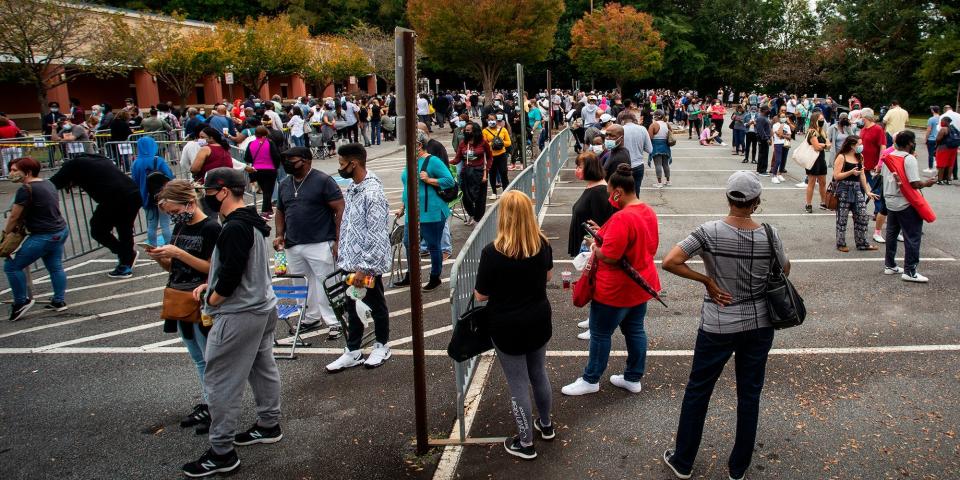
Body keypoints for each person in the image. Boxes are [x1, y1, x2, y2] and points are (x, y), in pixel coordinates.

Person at [661, 171, 789, 480]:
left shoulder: (708, 232)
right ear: (756, 202)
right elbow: (784, 269)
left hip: (718, 323)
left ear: (728, 198)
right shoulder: (769, 234)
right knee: (749, 393)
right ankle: (738, 467)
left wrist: (707, 279)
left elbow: (670, 261)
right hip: (759, 324)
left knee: (699, 390)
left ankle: (683, 460)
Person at [182, 168, 281, 478]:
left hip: (240, 314)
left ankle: (221, 452)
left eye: (208, 191)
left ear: (223, 191)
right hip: (262, 307)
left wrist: (212, 299)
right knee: (262, 367)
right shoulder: (253, 221)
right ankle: (269, 423)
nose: (205, 197)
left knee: (221, 381)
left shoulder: (235, 227)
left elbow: (231, 276)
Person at [561, 163, 660, 396]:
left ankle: (591, 378)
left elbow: (611, 256)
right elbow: (648, 246)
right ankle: (633, 377)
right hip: (640, 284)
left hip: (615, 289)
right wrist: (603, 232)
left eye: (609, 193)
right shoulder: (647, 211)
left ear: (618, 192)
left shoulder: (622, 218)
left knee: (600, 333)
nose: (608, 197)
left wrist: (595, 247)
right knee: (635, 331)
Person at [475, 190, 555, 460]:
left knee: (518, 383)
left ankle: (525, 442)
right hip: (538, 319)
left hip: (507, 325)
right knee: (538, 373)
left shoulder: (492, 253)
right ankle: (546, 425)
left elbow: (481, 295)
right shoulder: (542, 244)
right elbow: (548, 274)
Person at [149, 180, 222, 436]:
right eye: (170, 214)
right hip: (178, 296)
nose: (174, 217)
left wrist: (179, 254)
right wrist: (164, 259)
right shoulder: (180, 227)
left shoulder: (211, 227)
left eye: (175, 212)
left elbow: (214, 268)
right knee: (198, 358)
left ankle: (218, 409)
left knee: (209, 358)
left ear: (189, 203)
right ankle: (210, 402)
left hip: (200, 300)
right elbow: (174, 268)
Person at [325, 144, 393, 372]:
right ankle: (352, 350)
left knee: (375, 304)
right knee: (352, 304)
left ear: (353, 164)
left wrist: (364, 268)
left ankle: (382, 345)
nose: (340, 168)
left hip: (365, 265)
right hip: (350, 261)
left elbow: (376, 233)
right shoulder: (355, 187)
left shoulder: (371, 193)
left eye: (342, 164)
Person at [274, 146, 345, 338]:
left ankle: (335, 321)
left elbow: (340, 208)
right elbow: (280, 210)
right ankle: (309, 317)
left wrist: (338, 239)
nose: (288, 164)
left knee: (327, 281)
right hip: (293, 243)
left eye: (293, 160)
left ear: (306, 161)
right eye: (286, 160)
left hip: (321, 241)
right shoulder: (285, 184)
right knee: (301, 283)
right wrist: (279, 234)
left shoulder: (323, 180)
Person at [49, 153, 141, 279]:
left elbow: (50, 185)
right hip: (132, 193)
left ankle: (126, 256)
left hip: (115, 198)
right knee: (124, 228)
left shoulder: (73, 166)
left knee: (98, 229)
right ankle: (126, 262)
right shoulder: (98, 158)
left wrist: (30, 187)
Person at [3, 157, 69, 320]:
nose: (11, 173)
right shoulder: (47, 183)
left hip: (44, 235)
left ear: (28, 171)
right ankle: (59, 301)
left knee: (12, 266)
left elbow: (14, 216)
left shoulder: (25, 190)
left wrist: (5, 235)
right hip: (59, 230)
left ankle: (21, 302)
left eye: (14, 170)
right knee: (55, 266)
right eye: (10, 170)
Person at [393, 131, 456, 291]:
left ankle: (435, 277)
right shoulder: (411, 162)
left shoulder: (432, 161)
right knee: (408, 243)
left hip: (432, 212)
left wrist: (430, 180)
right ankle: (411, 275)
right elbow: (407, 187)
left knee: (433, 245)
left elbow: (449, 181)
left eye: (410, 145)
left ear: (419, 145)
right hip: (412, 213)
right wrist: (403, 207)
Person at [882, 131, 937, 283]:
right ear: (909, 144)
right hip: (905, 202)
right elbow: (914, 183)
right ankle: (910, 270)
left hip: (890, 200)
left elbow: (883, 178)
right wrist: (928, 183)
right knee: (912, 236)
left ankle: (890, 265)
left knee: (892, 233)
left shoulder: (888, 157)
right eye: (913, 142)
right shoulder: (909, 158)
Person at [833, 136, 880, 251]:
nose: (861, 146)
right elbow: (836, 176)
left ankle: (862, 243)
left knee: (862, 216)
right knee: (842, 218)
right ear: (852, 145)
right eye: (859, 144)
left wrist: (867, 191)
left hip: (857, 189)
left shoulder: (860, 156)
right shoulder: (841, 157)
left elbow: (862, 174)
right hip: (844, 189)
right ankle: (841, 243)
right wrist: (850, 172)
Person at [131, 136, 174, 247]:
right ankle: (168, 246)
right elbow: (169, 176)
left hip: (145, 197)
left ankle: (152, 248)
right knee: (165, 224)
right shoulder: (158, 160)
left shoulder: (136, 163)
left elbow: (134, 181)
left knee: (151, 225)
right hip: (162, 196)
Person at [451, 122, 492, 225]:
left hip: (479, 174)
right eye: (465, 130)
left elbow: (490, 157)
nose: (466, 131)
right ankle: (472, 214)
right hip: (466, 173)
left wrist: (486, 171)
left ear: (475, 131)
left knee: (480, 198)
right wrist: (444, 162)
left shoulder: (483, 143)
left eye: (469, 130)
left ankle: (478, 219)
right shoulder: (463, 144)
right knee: (466, 197)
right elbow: (457, 159)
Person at [858, 108, 888, 243]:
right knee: (861, 190)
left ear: (866, 118)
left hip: (873, 166)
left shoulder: (877, 129)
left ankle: (878, 213)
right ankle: (861, 211)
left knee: (875, 191)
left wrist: (879, 164)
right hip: (862, 165)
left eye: (862, 117)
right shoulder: (863, 130)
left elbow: (882, 146)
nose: (860, 119)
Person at [803, 111, 831, 213]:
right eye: (820, 120)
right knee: (812, 182)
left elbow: (828, 144)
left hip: (821, 159)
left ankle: (823, 202)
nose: (822, 121)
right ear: (815, 120)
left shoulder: (822, 131)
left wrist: (823, 145)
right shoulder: (812, 131)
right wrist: (824, 145)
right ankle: (808, 204)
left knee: (823, 182)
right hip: (813, 159)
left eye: (823, 120)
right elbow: (816, 147)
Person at [621, 111, 653, 193]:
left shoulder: (620, 130)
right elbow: (649, 149)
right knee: (636, 190)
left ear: (623, 120)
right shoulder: (642, 129)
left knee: (624, 191)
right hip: (638, 164)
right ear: (634, 119)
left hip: (623, 165)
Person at [483, 114, 512, 199]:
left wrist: (501, 142)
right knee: (492, 174)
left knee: (503, 173)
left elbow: (509, 142)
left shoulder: (503, 130)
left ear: (496, 120)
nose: (491, 121)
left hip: (501, 155)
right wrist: (492, 143)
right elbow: (484, 144)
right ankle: (494, 193)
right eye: (489, 120)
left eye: (493, 119)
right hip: (491, 156)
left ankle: (505, 191)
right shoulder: (485, 131)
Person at [648, 110, 672, 187]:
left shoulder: (653, 125)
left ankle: (659, 183)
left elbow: (650, 137)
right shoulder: (667, 124)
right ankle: (668, 181)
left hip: (656, 146)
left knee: (658, 164)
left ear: (656, 116)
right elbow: (671, 134)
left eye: (654, 115)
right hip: (665, 146)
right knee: (665, 164)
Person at [934, 117, 958, 184]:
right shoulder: (953, 128)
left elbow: (938, 139)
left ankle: (940, 180)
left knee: (941, 164)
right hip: (953, 148)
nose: (941, 122)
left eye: (942, 121)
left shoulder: (943, 129)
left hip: (944, 148)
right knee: (950, 164)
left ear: (946, 121)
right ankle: (948, 179)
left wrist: (936, 146)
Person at [770, 113, 791, 183]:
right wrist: (782, 127)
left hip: (786, 143)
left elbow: (789, 137)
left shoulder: (787, 126)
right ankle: (774, 175)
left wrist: (783, 136)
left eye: (784, 117)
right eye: (782, 117)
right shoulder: (775, 125)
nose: (783, 118)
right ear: (779, 118)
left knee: (783, 160)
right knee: (778, 160)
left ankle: (780, 174)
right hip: (778, 144)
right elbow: (779, 135)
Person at [924, 106, 941, 173]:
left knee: (930, 154)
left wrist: (926, 138)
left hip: (931, 138)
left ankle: (930, 168)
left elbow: (929, 130)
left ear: (933, 111)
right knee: (938, 153)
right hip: (939, 138)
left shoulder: (931, 119)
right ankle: (938, 166)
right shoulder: (941, 118)